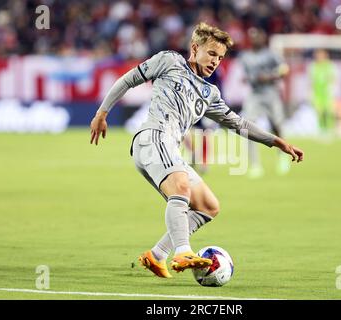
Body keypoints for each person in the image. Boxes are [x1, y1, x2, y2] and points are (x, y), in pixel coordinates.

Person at [89, 22, 304, 278]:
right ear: (195, 48)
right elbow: (129, 79)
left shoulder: (209, 93)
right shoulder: (169, 61)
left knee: (208, 206)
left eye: (221, 58)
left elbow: (239, 123)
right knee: (181, 185)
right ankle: (183, 251)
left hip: (170, 149)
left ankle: (157, 255)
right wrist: (102, 112)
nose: (216, 61)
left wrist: (277, 141)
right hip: (152, 137)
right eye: (212, 53)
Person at [239, 27, 290, 178]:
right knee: (248, 127)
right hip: (255, 94)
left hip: (270, 93)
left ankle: (283, 155)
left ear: (263, 38)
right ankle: (255, 165)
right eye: (252, 37)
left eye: (258, 36)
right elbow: (247, 75)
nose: (255, 39)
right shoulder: (245, 56)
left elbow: (284, 70)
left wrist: (269, 77)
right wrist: (248, 79)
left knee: (276, 126)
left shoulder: (271, 55)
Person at [309, 49, 336, 138]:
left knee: (328, 112)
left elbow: (333, 78)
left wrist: (331, 89)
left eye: (320, 55)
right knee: (319, 112)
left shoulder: (329, 66)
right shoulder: (313, 66)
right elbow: (311, 81)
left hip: (327, 93)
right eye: (317, 55)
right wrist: (311, 93)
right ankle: (321, 131)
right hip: (317, 94)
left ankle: (330, 130)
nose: (318, 57)